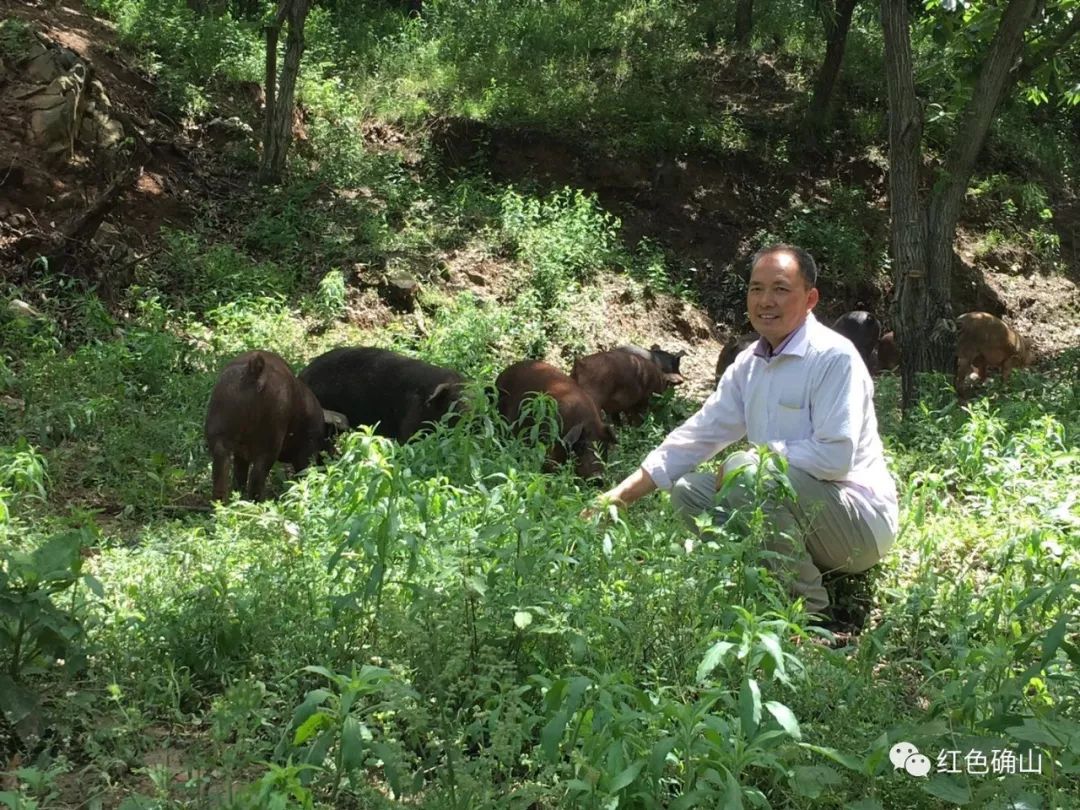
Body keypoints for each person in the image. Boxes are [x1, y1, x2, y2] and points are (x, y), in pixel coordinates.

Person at [589, 245, 898, 616]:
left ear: (810, 298)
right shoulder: (748, 366)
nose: (766, 300)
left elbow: (835, 457)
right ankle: (764, 579)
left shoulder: (833, 358)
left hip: (857, 523)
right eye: (756, 289)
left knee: (752, 472)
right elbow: (696, 436)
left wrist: (753, 459)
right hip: (799, 511)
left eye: (781, 289)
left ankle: (810, 614)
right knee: (689, 493)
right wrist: (616, 498)